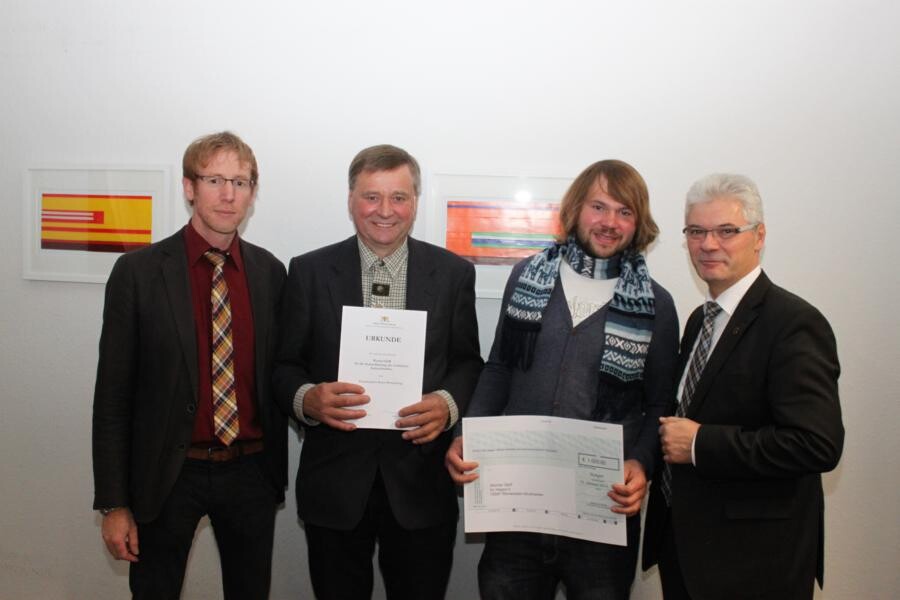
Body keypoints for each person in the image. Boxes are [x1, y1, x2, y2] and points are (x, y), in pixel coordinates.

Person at [446, 159, 679, 599]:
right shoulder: (526, 277)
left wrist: (642, 462)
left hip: (602, 512)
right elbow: (499, 368)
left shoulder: (656, 305)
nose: (610, 222)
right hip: (517, 510)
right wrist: (466, 435)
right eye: (599, 206)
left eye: (625, 212)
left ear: (638, 223)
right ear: (575, 210)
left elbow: (659, 403)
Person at [273, 144, 483, 600]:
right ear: (351, 200)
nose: (385, 211)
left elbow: (468, 361)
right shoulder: (308, 271)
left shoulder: (453, 273)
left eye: (399, 197)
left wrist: (447, 405)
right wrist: (307, 399)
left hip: (421, 483)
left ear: (415, 202)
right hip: (335, 484)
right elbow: (284, 365)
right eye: (372, 196)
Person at [92, 131, 287, 599]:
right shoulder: (138, 273)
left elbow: (283, 373)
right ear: (189, 187)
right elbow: (113, 397)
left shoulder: (270, 273)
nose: (228, 194)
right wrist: (114, 504)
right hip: (167, 474)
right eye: (215, 180)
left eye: (240, 182)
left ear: (253, 192)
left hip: (250, 470)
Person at [641, 173, 844, 599]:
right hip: (687, 551)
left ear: (759, 236)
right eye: (696, 231)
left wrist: (702, 444)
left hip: (755, 563)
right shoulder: (700, 321)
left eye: (726, 231)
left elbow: (816, 445)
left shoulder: (793, 323)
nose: (708, 244)